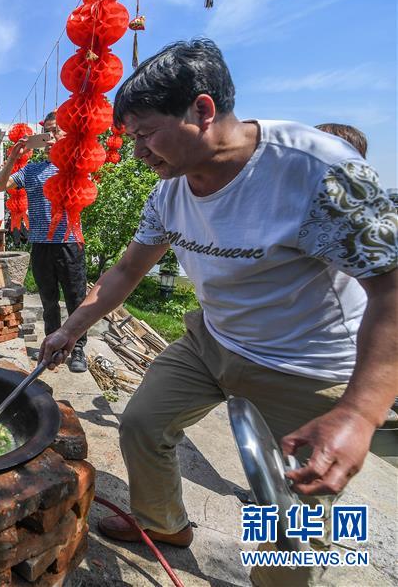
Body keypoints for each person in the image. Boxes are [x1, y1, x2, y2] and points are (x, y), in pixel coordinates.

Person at [38, 39, 397, 587]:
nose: (137, 153)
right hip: (212, 339)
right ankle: (164, 526)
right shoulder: (170, 190)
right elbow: (127, 271)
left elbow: (392, 289)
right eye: (129, 138)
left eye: (145, 134)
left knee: (287, 521)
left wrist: (360, 414)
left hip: (304, 363)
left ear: (202, 111)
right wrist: (70, 328)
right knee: (142, 424)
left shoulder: (317, 171)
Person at [0, 111, 88, 373]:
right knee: (48, 300)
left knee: (75, 299)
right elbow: (1, 187)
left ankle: (79, 348)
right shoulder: (32, 169)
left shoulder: (73, 165)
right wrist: (14, 155)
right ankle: (54, 347)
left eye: (57, 130)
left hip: (70, 241)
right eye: (47, 130)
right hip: (40, 243)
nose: (51, 136)